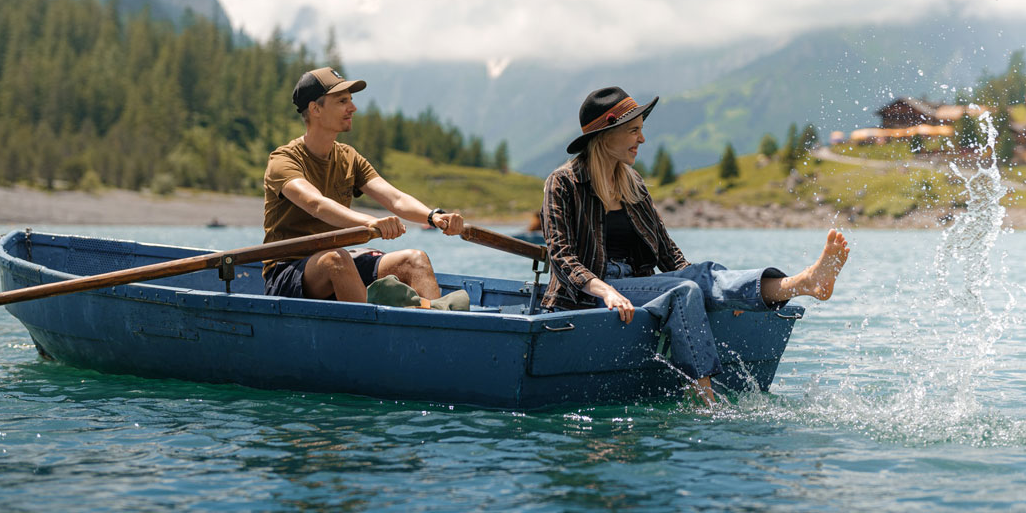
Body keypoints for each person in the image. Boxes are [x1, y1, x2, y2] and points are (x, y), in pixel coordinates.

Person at [541, 87, 850, 403]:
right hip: (588, 297)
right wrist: (605, 290)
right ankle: (706, 402)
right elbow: (560, 255)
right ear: (607, 134)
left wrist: (723, 295)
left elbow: (667, 251)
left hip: (634, 288)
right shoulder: (563, 182)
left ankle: (803, 283)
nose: (642, 139)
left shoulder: (632, 183)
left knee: (700, 277)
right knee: (685, 291)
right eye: (634, 130)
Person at [263, 67, 467, 308]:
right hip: (288, 274)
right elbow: (315, 204)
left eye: (351, 100)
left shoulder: (349, 157)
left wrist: (433, 217)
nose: (353, 108)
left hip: (338, 263)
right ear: (315, 109)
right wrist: (369, 222)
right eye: (342, 101)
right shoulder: (283, 160)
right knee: (336, 260)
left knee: (415, 260)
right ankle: (374, 332)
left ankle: (436, 330)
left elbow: (395, 198)